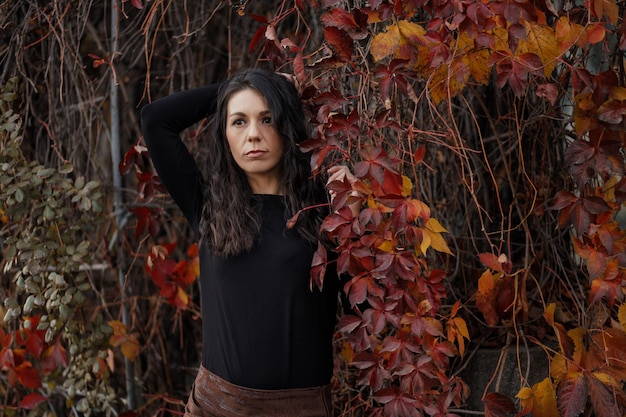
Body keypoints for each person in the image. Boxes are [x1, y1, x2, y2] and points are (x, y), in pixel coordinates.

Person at [141, 68, 351, 417]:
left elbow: (367, 308)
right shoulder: (209, 207)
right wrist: (241, 87)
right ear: (224, 134)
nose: (253, 134)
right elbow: (156, 118)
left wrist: (352, 220)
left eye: (267, 119)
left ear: (288, 126)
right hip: (215, 407)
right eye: (238, 122)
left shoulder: (323, 210)